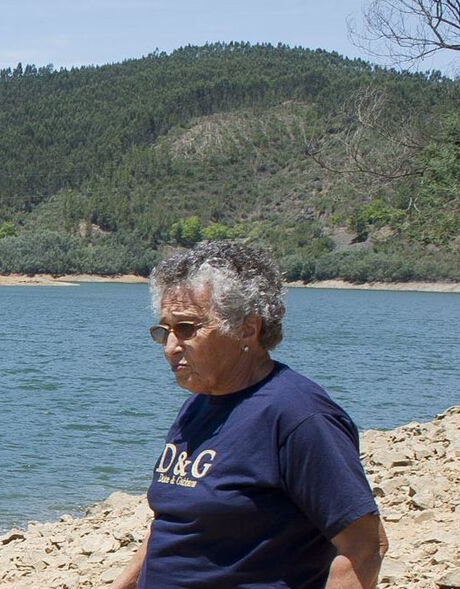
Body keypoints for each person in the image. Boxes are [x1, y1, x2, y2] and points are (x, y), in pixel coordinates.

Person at [110, 240, 387, 589]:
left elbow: (365, 546)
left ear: (247, 329)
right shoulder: (200, 403)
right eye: (163, 330)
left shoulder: (299, 415)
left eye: (187, 329)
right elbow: (175, 524)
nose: (170, 347)